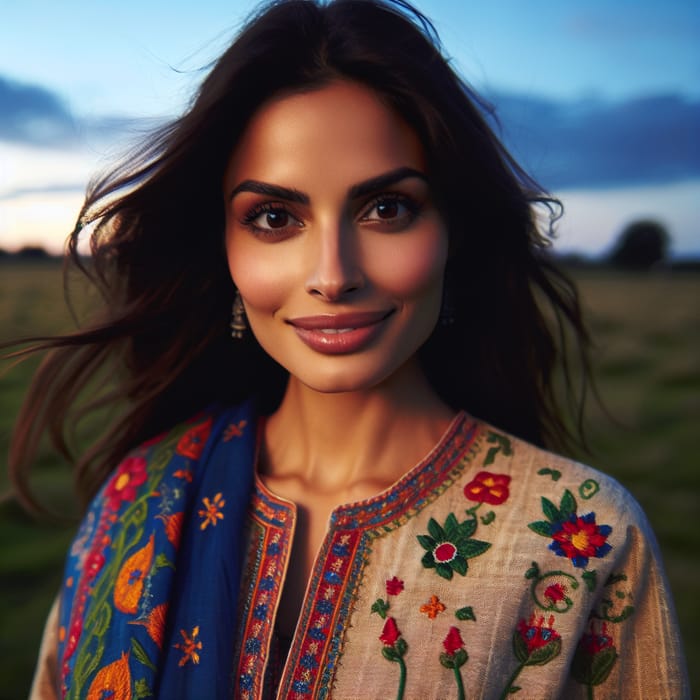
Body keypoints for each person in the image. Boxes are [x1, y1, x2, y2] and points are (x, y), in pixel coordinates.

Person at [12, 1, 687, 698]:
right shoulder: (138, 501)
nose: (333, 275)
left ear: (453, 230)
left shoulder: (580, 536)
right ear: (224, 248)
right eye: (275, 218)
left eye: (387, 209)